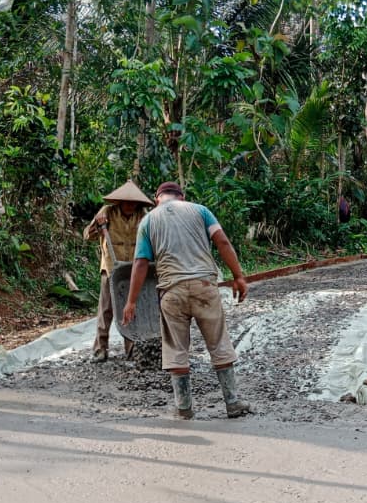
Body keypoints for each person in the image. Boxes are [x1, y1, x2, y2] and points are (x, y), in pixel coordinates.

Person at [122, 182, 251, 420]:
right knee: (218, 341)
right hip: (204, 287)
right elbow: (222, 242)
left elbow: (140, 263)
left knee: (176, 347)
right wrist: (238, 276)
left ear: (157, 198)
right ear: (182, 196)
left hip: (171, 291)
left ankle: (183, 408)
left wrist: (131, 302)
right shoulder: (201, 210)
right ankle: (232, 402)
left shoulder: (148, 221)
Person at [83, 180, 152, 362]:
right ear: (120, 202)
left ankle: (132, 348)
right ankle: (100, 349)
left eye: (133, 202)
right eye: (126, 202)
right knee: (106, 308)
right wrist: (98, 225)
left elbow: (154, 238)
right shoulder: (107, 212)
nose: (130, 205)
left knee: (132, 307)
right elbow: (87, 235)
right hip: (111, 267)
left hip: (134, 268)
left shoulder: (143, 215)